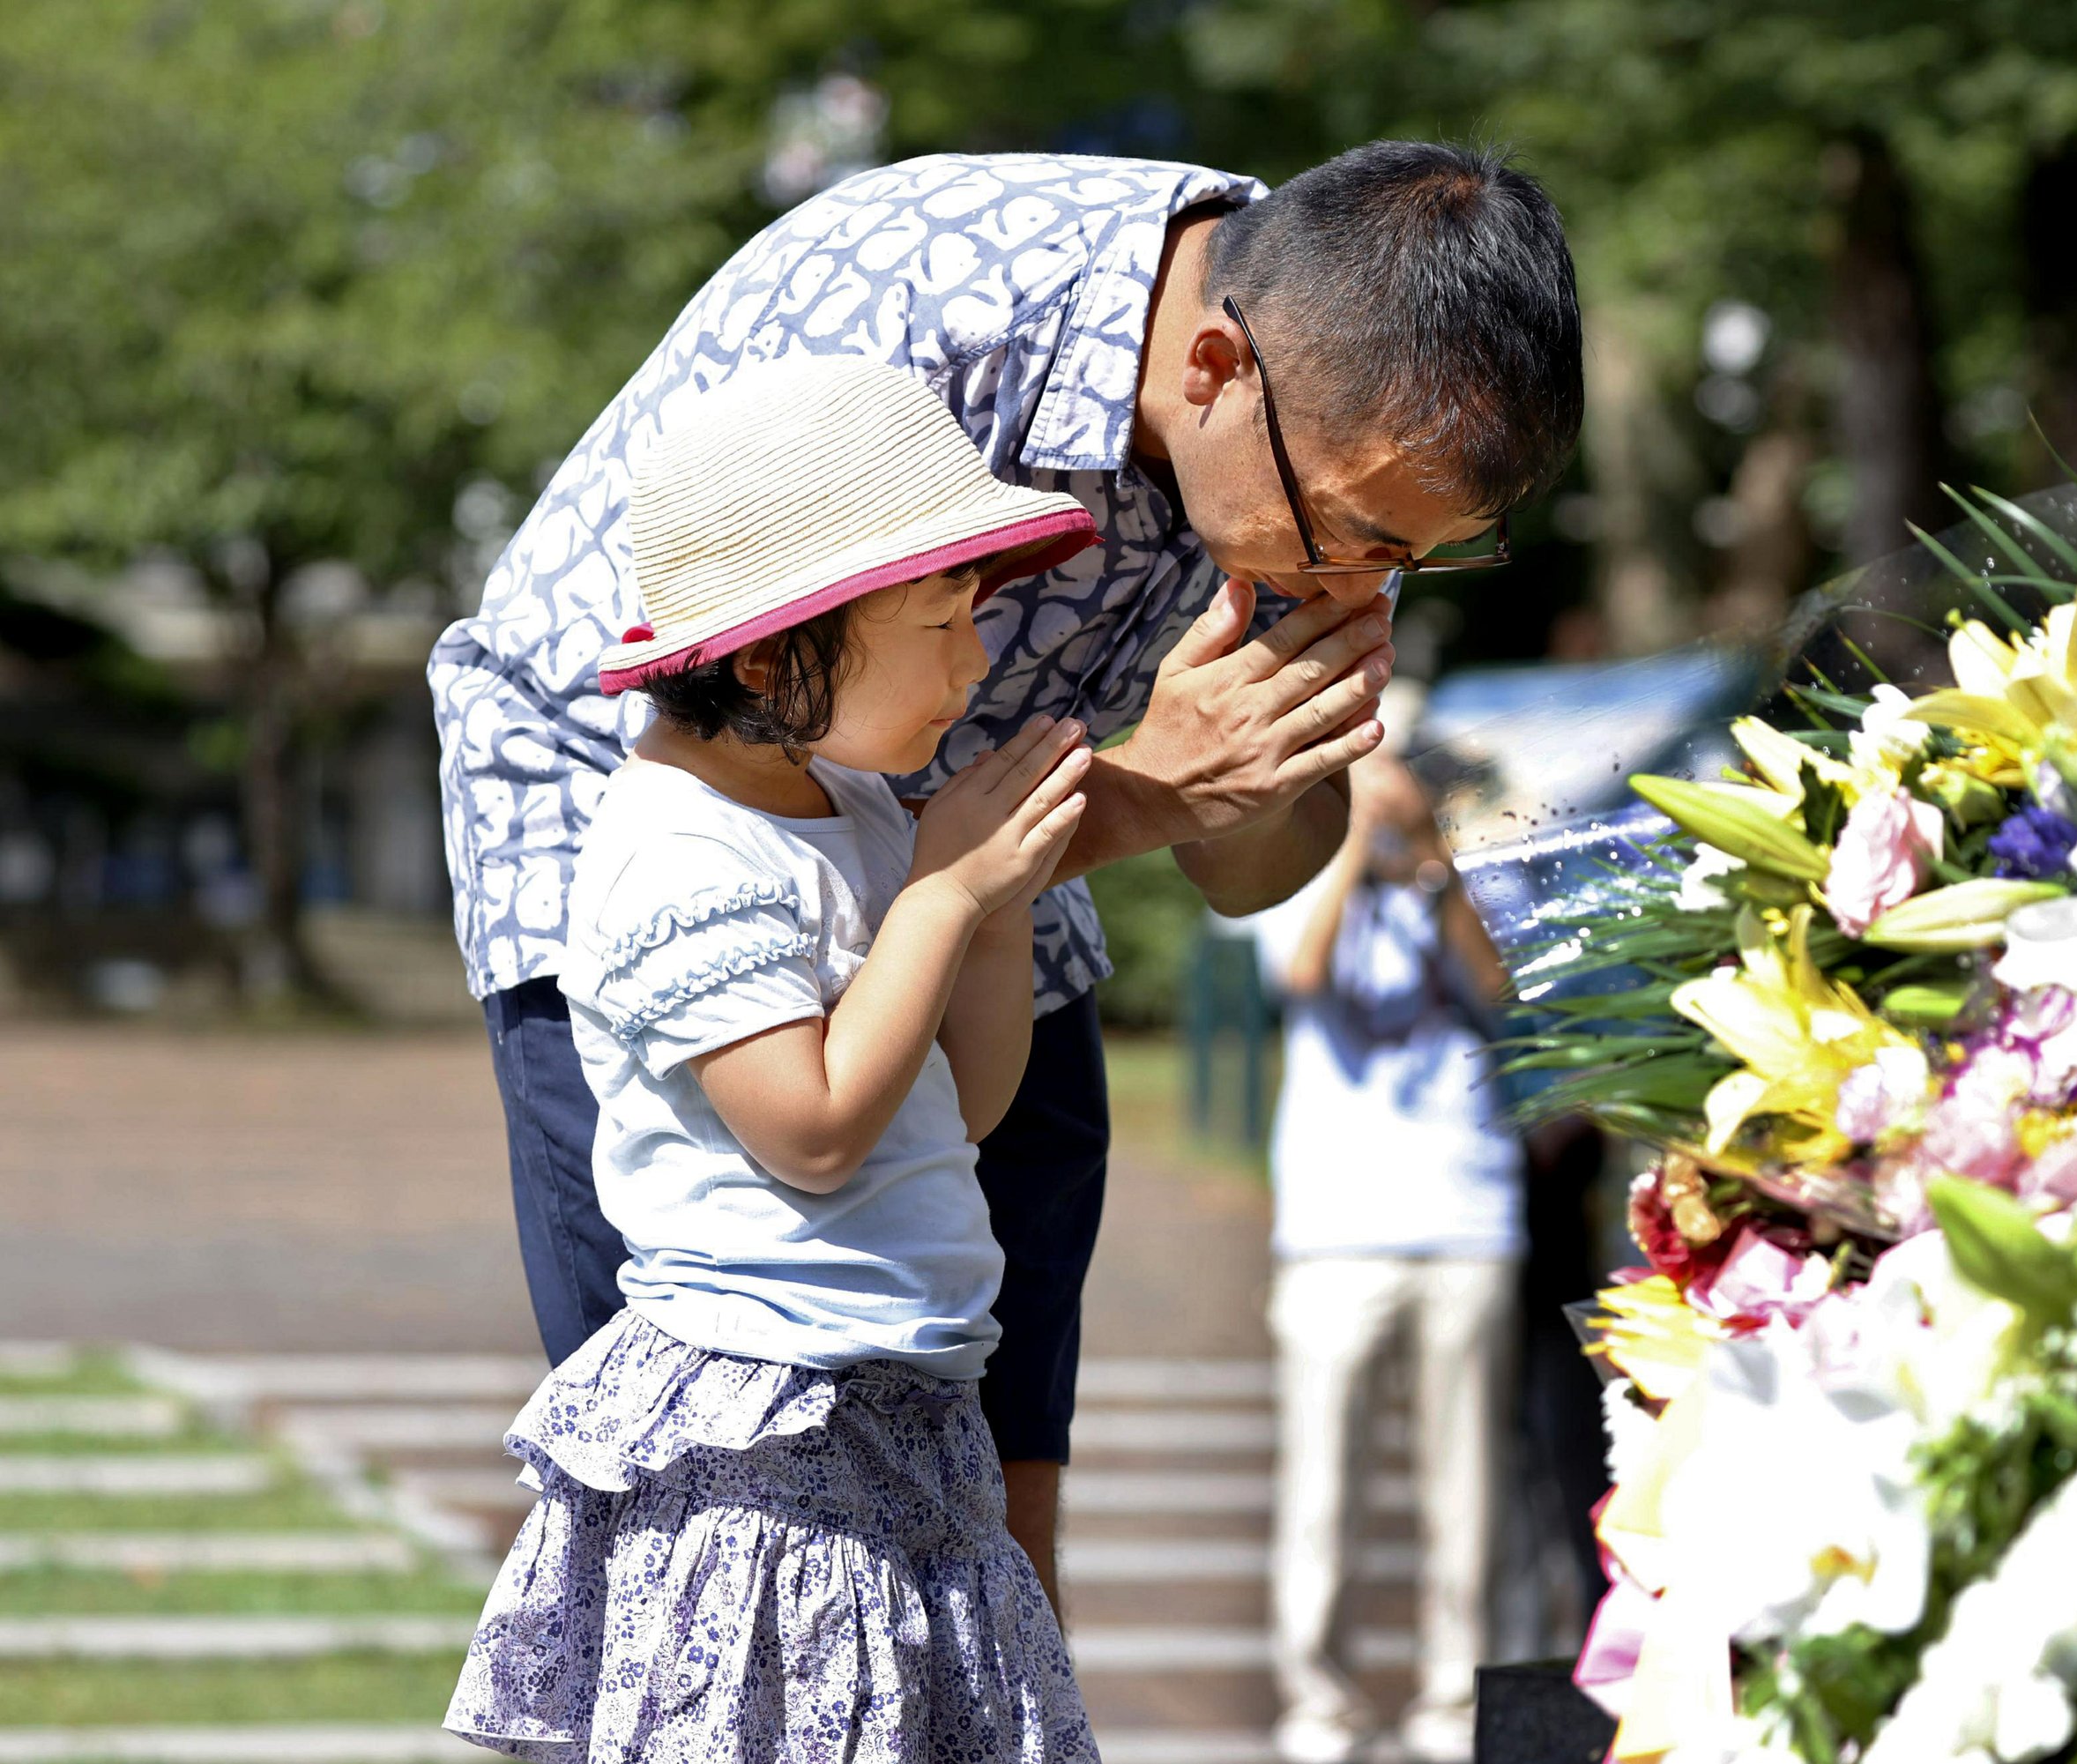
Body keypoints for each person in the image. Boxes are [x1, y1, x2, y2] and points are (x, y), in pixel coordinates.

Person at [429, 143, 1584, 1598]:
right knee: (723, 1478)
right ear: (1217, 367)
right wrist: (1130, 795)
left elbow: (1251, 871)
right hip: (650, 786)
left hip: (977, 822)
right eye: (1356, 536)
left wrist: (1226, 777)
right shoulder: (928, 315)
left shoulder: (1340, 398)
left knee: (991, 1430)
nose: (1363, 585)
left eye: (1421, 555)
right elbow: (744, 735)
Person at [447, 356, 1104, 1758]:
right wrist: (936, 894)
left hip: (909, 1412)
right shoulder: (680, 850)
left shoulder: (855, 809)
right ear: (768, 652)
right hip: (771, 1452)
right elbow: (809, 1127)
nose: (973, 665)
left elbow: (957, 1109)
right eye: (938, 623)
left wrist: (989, 907)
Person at [1251, 696, 1525, 1764]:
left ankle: (1455, 1703)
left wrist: (1432, 863)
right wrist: (1358, 844)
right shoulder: (1292, 867)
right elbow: (1303, 974)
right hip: (1333, 1229)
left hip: (1468, 1217)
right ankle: (1319, 1704)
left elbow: (1498, 987)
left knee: (1469, 1494)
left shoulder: (1460, 868)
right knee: (1323, 1490)